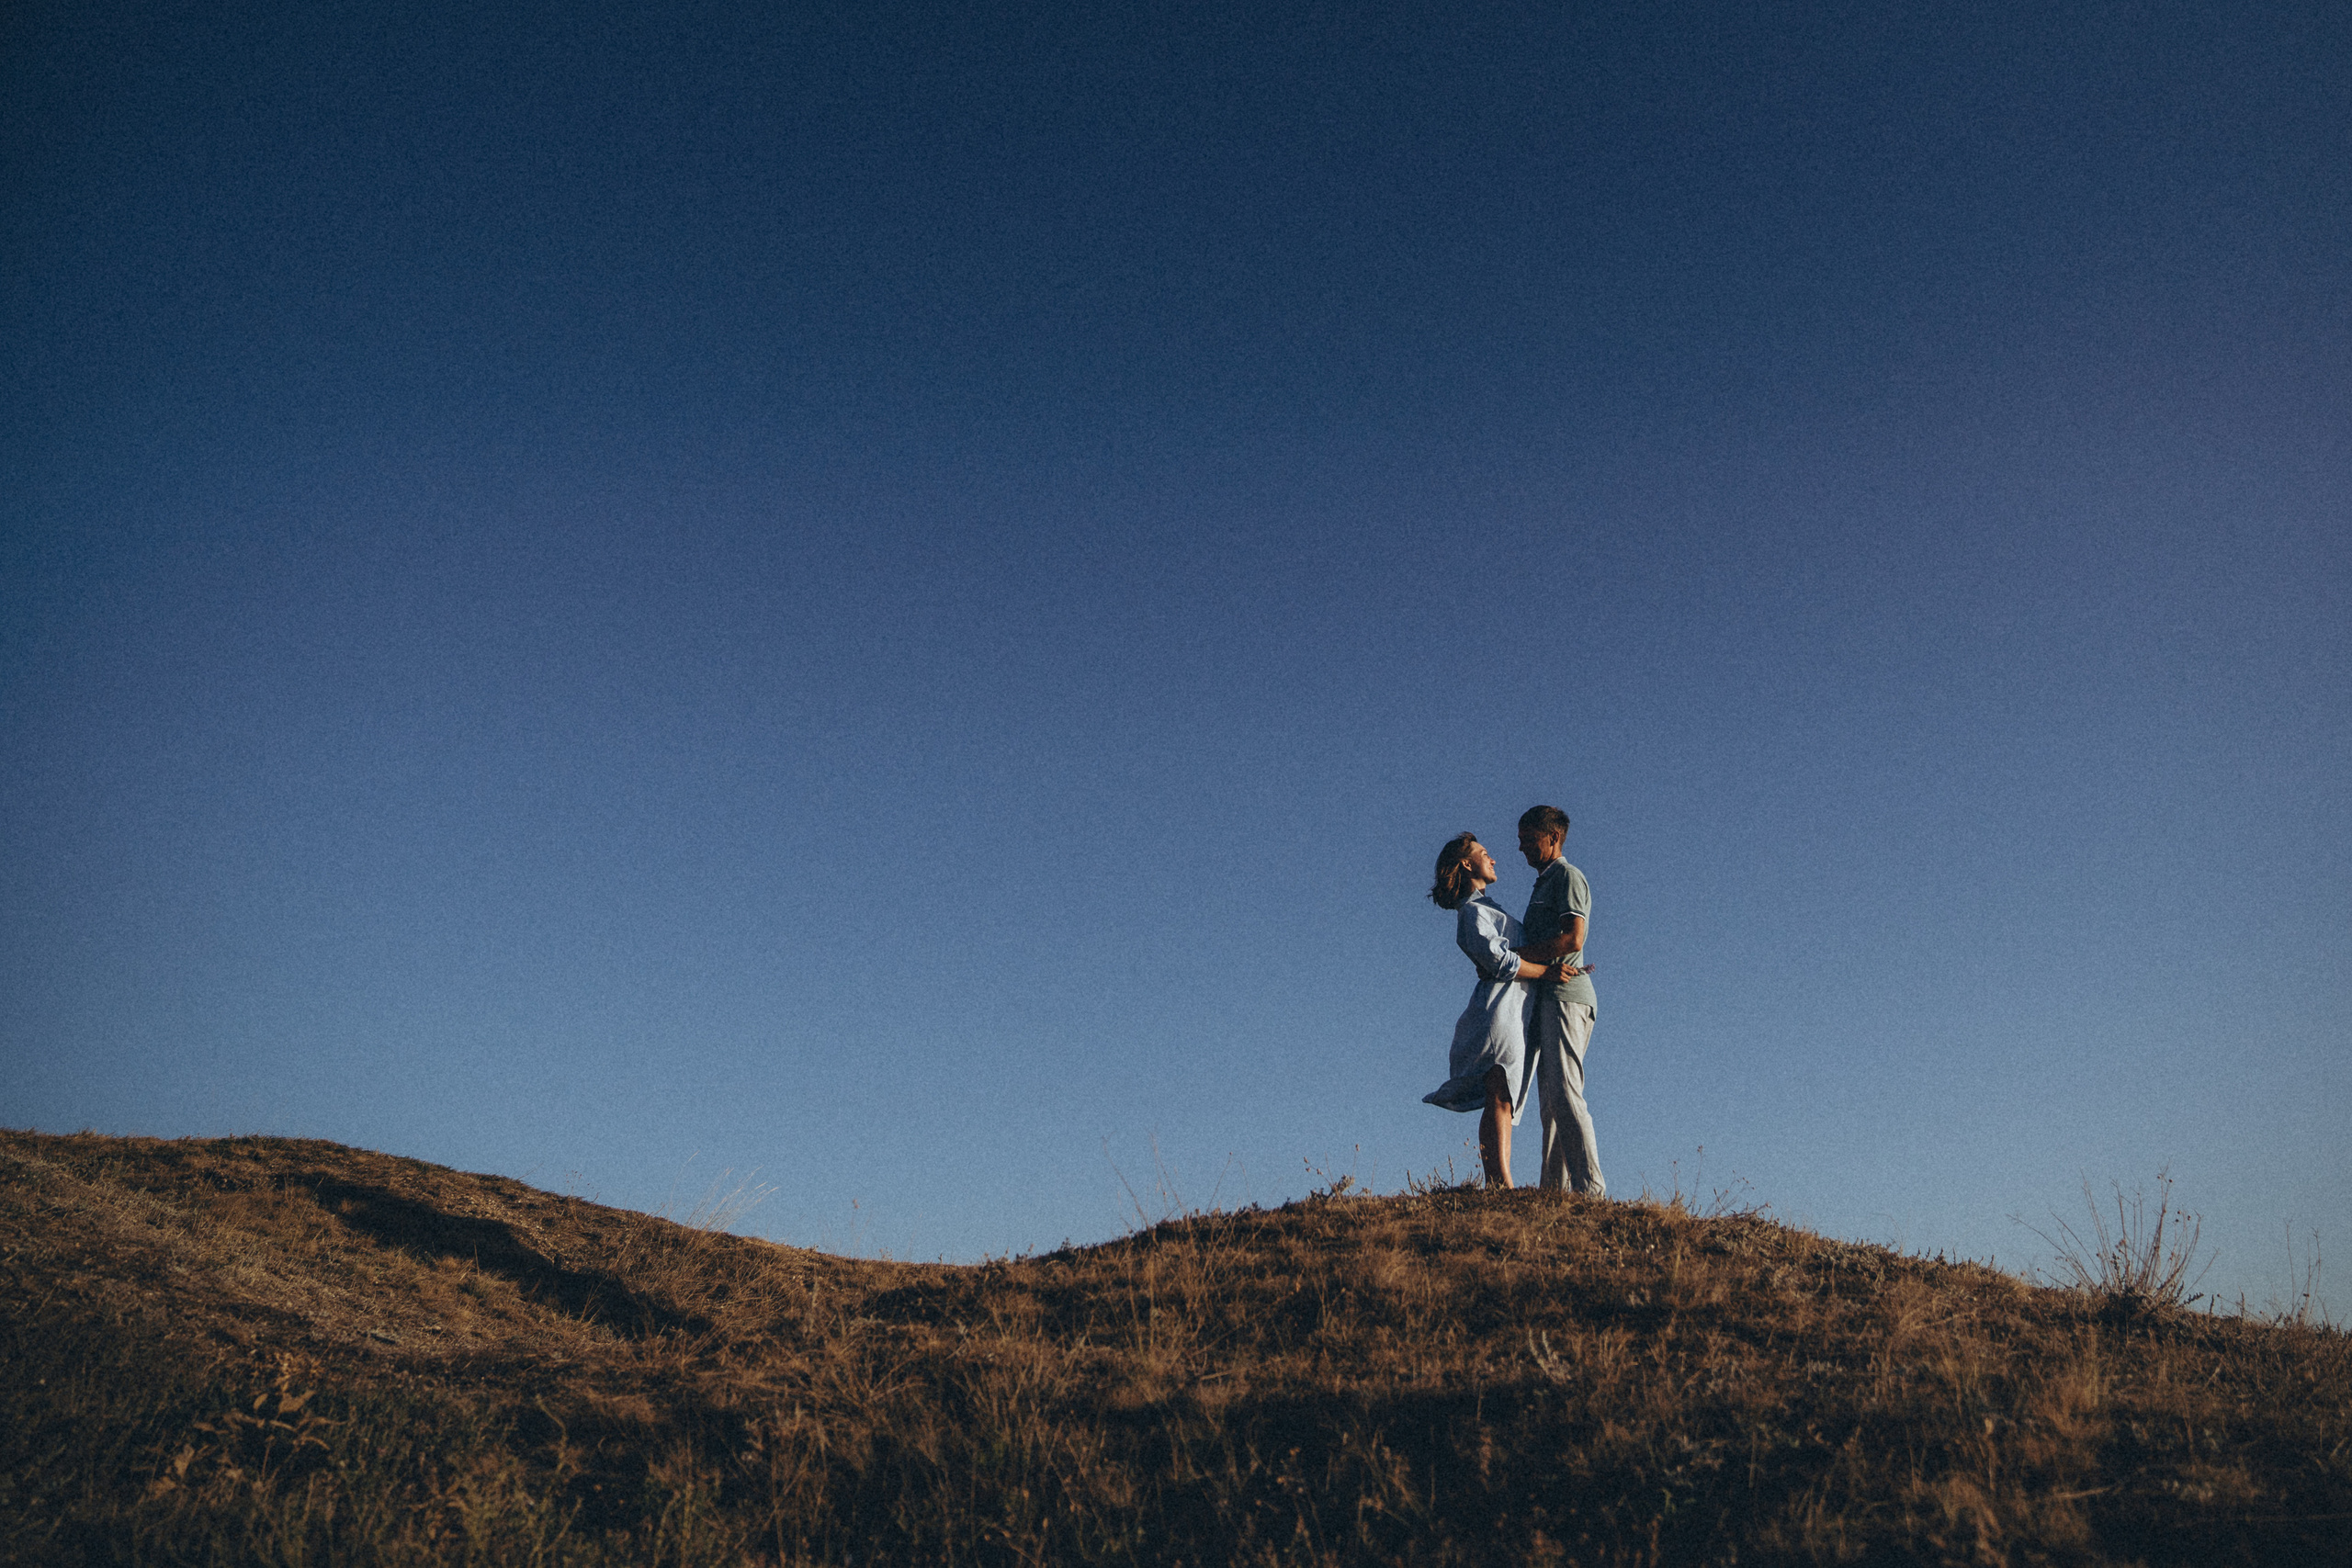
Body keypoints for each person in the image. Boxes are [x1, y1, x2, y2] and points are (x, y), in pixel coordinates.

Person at [1423, 831, 1566, 1189]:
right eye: (1485, 853)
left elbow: (1508, 957)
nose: (1494, 859)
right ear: (1468, 863)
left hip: (1515, 1009)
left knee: (1502, 1095)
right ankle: (1500, 1181)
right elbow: (1501, 962)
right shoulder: (1471, 913)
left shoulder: (1488, 909)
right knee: (1499, 1090)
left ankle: (1500, 1181)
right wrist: (1549, 971)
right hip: (1499, 1011)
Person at [1513, 805, 1605, 1196]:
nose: (1522, 849)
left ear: (1552, 838)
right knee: (1550, 1102)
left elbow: (1573, 939)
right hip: (1549, 996)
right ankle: (1554, 1193)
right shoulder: (1544, 883)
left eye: (1529, 840)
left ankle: (1591, 1189)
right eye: (1520, 841)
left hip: (1567, 996)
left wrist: (1517, 957)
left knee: (1566, 1092)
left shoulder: (1568, 877)